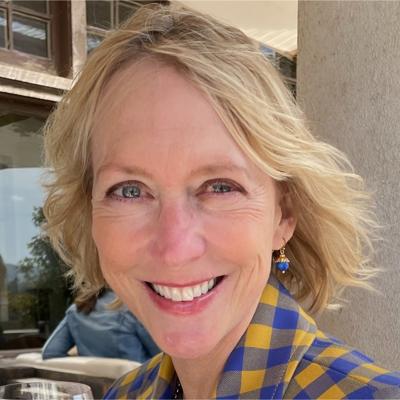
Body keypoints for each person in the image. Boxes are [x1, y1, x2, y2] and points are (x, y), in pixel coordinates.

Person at [42, 3, 400, 399]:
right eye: (129, 190)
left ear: (284, 214)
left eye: (220, 186)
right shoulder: (126, 394)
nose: (175, 250)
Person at [42, 289, 159, 362]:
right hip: (145, 387)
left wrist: (84, 360)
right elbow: (163, 356)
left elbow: (51, 352)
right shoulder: (134, 307)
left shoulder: (76, 310)